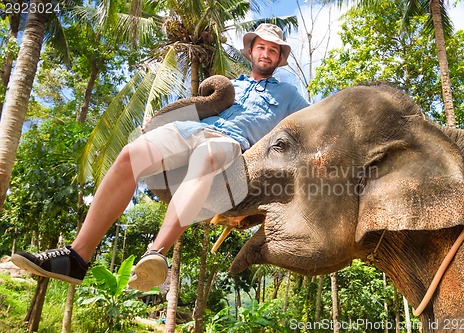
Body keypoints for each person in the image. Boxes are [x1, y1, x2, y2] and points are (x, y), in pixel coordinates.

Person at [12, 23, 309, 291]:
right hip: (190, 129)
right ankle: (76, 256)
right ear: (251, 50)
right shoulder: (233, 84)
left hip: (231, 143)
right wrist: (162, 121)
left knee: (207, 156)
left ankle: (156, 254)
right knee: (130, 155)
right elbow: (199, 106)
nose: (266, 54)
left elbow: (314, 123)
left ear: (279, 58)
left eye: (273, 50)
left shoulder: (289, 96)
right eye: (262, 47)